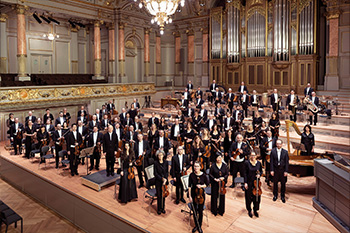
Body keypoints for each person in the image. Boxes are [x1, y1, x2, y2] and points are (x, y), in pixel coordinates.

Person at [188, 161, 209, 233]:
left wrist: (201, 186)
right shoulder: (191, 175)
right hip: (193, 195)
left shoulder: (204, 175)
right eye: (194, 166)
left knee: (200, 211)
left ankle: (199, 226)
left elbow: (207, 184)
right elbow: (189, 186)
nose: (195, 168)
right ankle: (196, 225)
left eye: (197, 166)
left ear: (200, 167)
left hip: (201, 196)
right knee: (194, 211)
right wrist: (190, 196)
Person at [244, 152, 263, 218]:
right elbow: (245, 173)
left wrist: (259, 174)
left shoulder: (258, 163)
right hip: (249, 182)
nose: (253, 156)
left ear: (256, 156)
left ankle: (255, 210)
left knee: (257, 197)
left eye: (254, 155)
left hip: (256, 183)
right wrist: (245, 182)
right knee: (248, 197)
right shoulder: (247, 163)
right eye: (251, 155)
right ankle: (249, 210)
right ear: (250, 156)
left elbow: (261, 171)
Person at [154, 150, 169, 215]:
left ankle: (163, 208)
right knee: (159, 195)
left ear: (163, 155)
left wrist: (165, 179)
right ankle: (159, 209)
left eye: (161, 155)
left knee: (164, 195)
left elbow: (166, 172)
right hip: (158, 181)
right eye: (159, 155)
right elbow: (155, 173)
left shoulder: (166, 162)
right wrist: (162, 179)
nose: (160, 156)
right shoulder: (155, 163)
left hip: (165, 181)